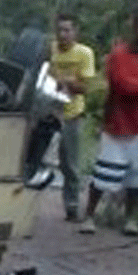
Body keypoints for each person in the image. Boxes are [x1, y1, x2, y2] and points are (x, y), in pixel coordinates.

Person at [77, 9, 138, 236]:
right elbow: (121, 84)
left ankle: (131, 219)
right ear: (135, 30)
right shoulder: (119, 55)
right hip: (117, 127)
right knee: (102, 176)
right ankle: (89, 216)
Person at [39, 13, 97, 220]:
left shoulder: (84, 54)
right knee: (35, 156)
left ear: (75, 32)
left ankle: (71, 207)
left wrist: (65, 81)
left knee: (70, 163)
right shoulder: (50, 49)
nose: (63, 34)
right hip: (46, 112)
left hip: (71, 113)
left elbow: (85, 87)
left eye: (67, 30)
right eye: (60, 30)